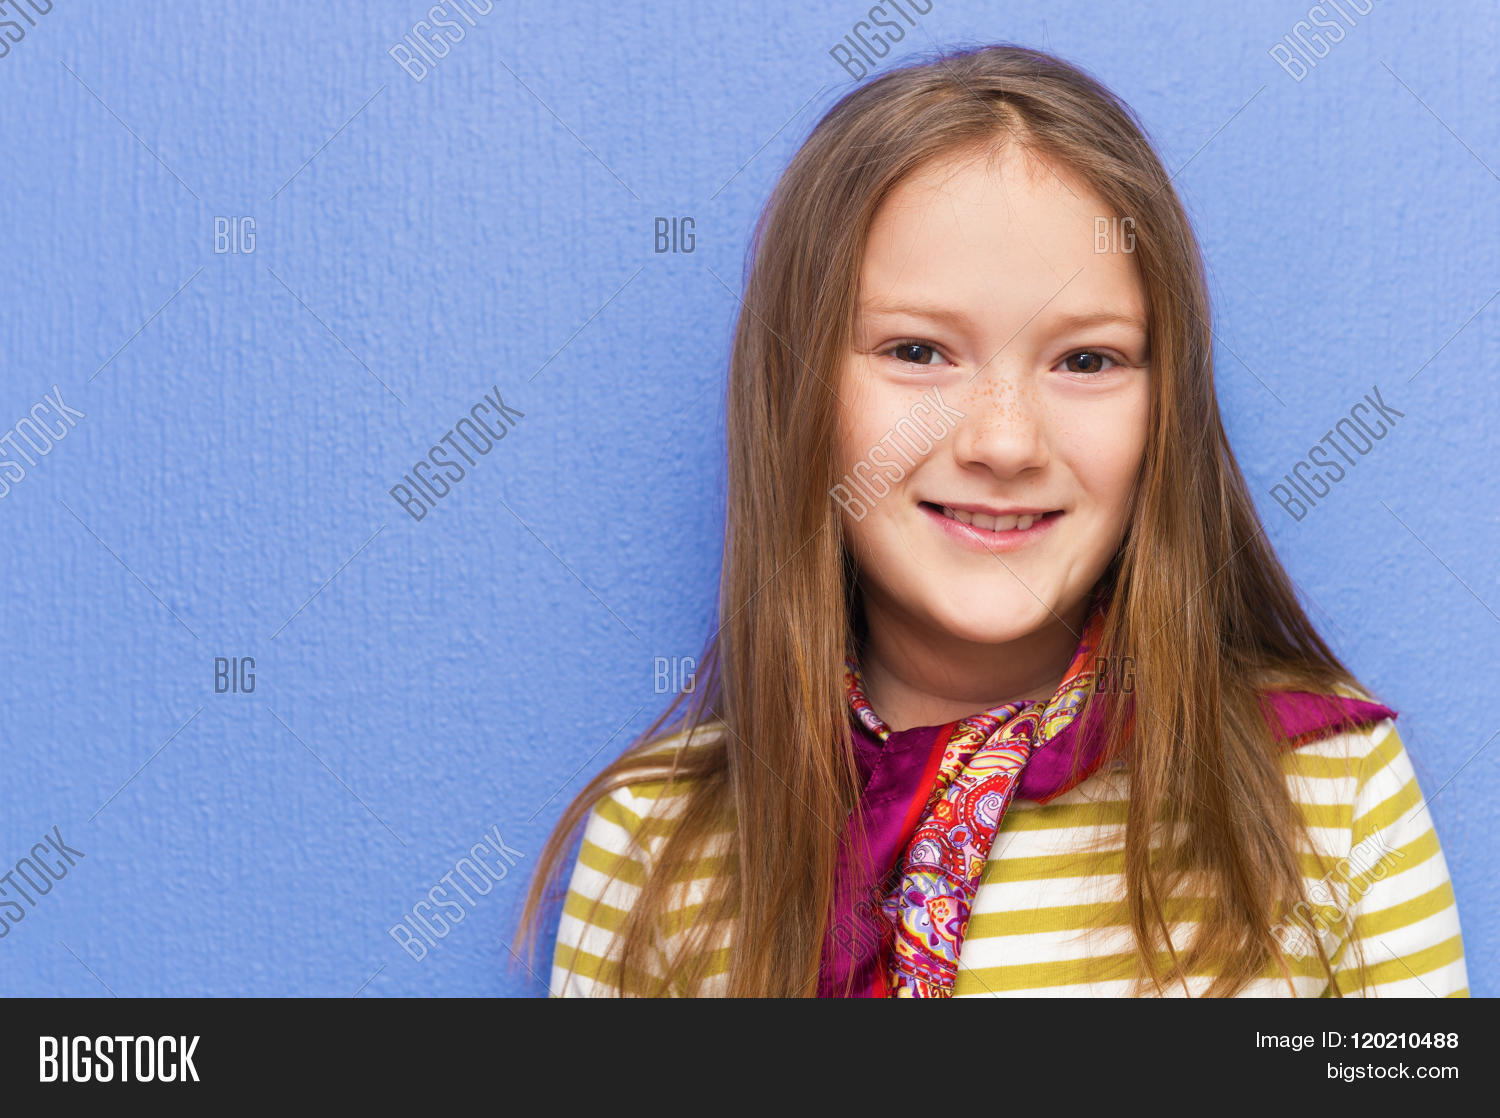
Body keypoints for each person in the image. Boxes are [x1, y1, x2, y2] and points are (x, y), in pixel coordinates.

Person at [518, 43, 1467, 998]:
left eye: (1087, 361)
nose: (1005, 443)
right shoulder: (654, 851)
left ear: (1165, 411)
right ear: (800, 392)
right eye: (920, 351)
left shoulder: (1330, 796)